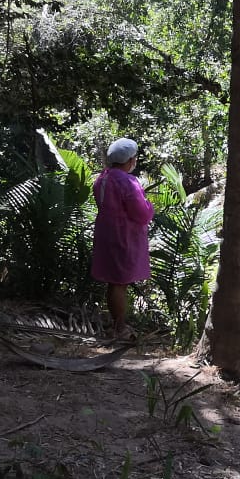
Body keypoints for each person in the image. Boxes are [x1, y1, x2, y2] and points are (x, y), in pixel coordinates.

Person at [91, 138, 154, 338]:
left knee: (113, 280)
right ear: (129, 160)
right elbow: (141, 213)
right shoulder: (128, 181)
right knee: (119, 282)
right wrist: (149, 206)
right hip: (123, 237)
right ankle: (120, 327)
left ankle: (117, 323)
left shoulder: (102, 179)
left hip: (105, 233)